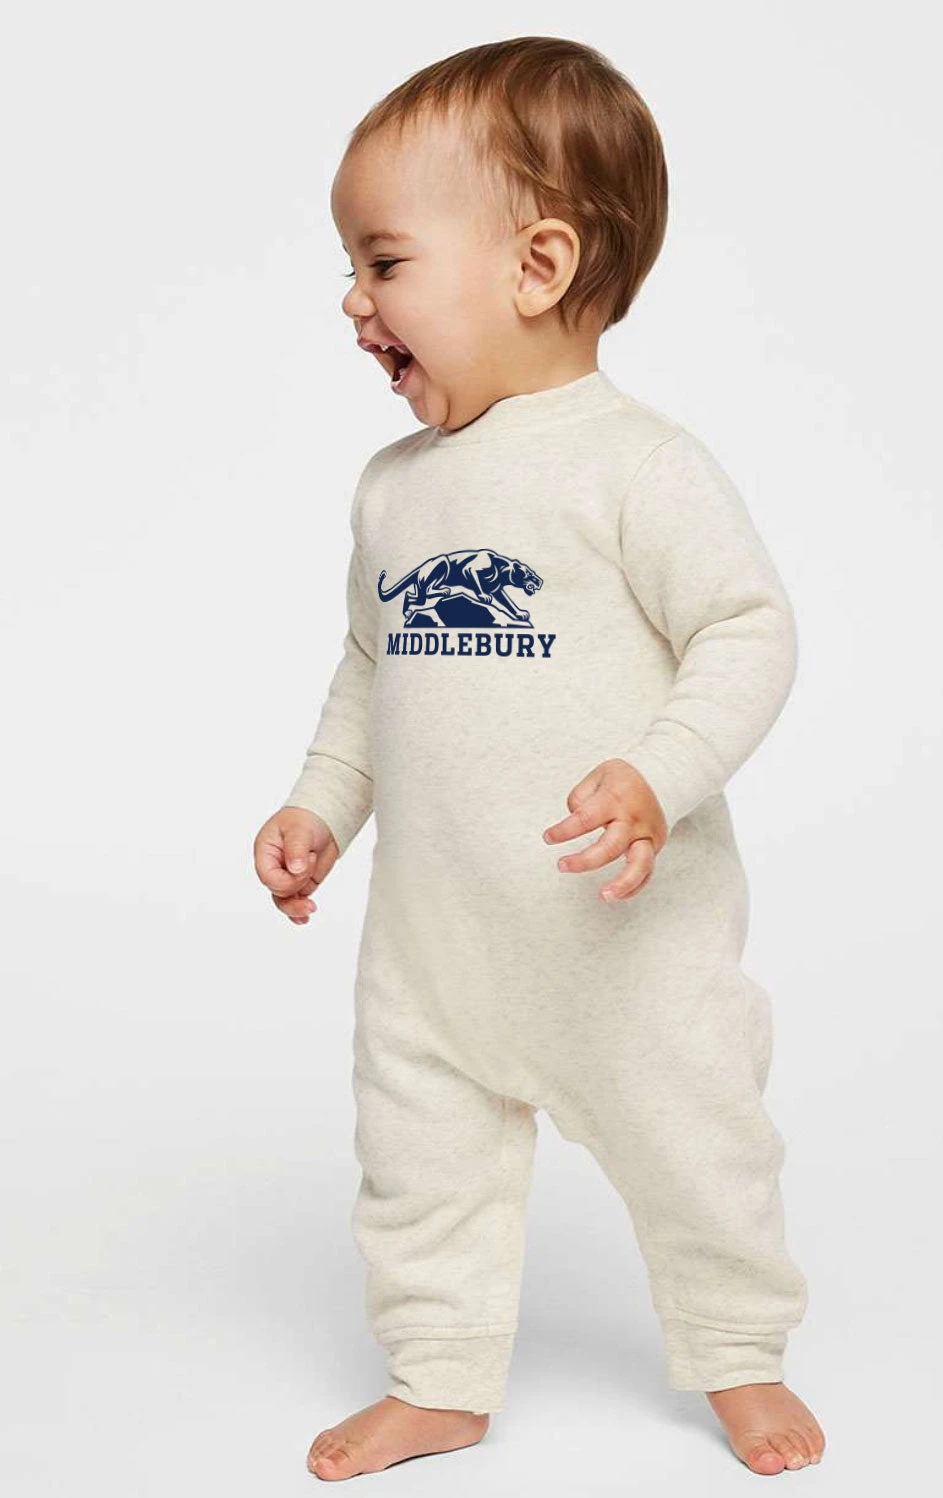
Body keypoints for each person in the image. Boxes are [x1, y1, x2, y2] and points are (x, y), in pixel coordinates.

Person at [252, 35, 826, 1482]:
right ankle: (440, 1375)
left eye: (384, 262)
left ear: (538, 265)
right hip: (435, 941)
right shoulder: (392, 490)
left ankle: (738, 1347)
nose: (353, 299)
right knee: (418, 1168)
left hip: (623, 944)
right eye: (350, 265)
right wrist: (322, 804)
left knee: (699, 1149)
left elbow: (747, 630)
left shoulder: (636, 465)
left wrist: (658, 773)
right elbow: (373, 668)